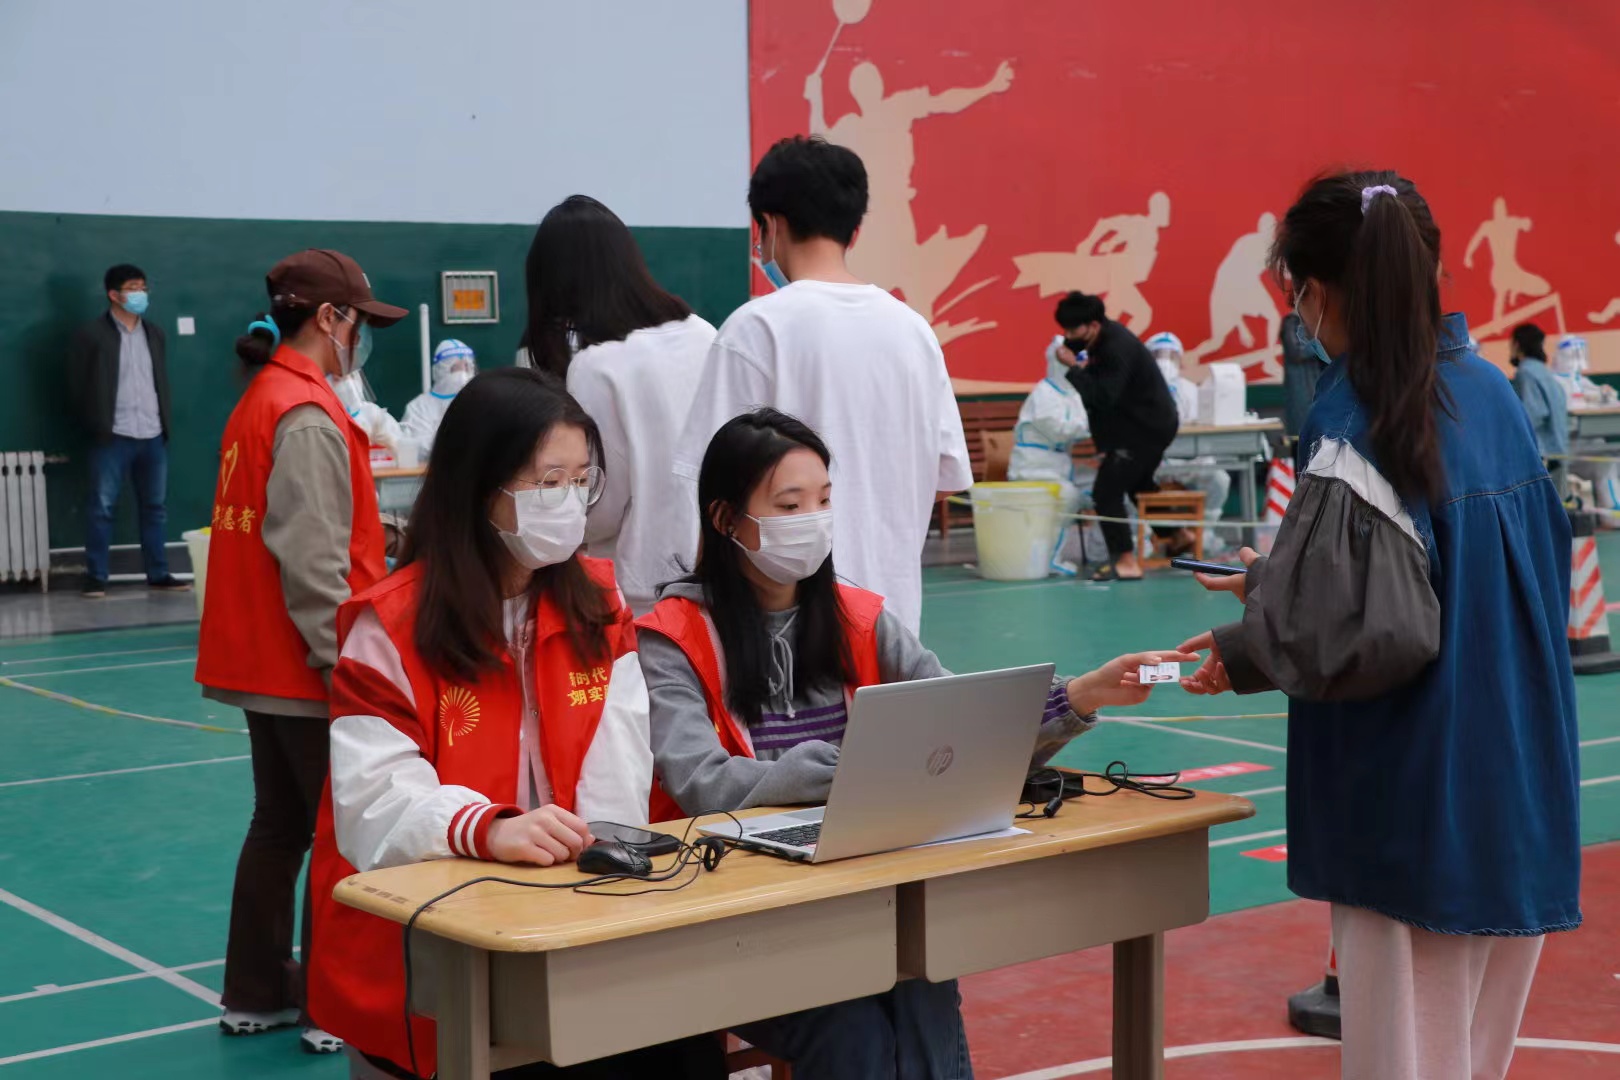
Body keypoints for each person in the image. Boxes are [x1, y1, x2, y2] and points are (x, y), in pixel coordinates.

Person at [642, 408, 1192, 1080]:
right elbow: (700, 781)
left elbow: (961, 722)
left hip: (868, 898)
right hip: (738, 916)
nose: (813, 520)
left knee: (924, 981)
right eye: (789, 505)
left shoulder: (858, 617)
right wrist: (853, 771)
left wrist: (1080, 695)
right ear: (727, 519)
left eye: (823, 500)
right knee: (852, 1030)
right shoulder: (671, 636)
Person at [1180, 172, 1581, 1080]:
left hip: (1408, 796)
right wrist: (1275, 596)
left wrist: (1258, 625)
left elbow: (1358, 628)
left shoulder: (1353, 418)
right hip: (1516, 780)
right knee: (1473, 1057)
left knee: (1405, 1059)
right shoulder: (1493, 397)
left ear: (1315, 293)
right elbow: (1439, 586)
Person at [307, 368, 724, 1080]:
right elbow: (373, 801)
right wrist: (489, 829)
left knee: (684, 1042)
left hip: (567, 916)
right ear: (479, 488)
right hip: (431, 933)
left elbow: (618, 775)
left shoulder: (599, 604)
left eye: (581, 481)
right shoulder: (389, 629)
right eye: (547, 482)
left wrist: (588, 893)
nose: (569, 502)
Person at [194, 249, 407, 1055]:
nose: (363, 337)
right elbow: (314, 563)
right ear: (328, 318)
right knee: (339, 833)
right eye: (360, 321)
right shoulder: (308, 414)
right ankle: (331, 1003)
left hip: (262, 660)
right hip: (309, 664)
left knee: (279, 825)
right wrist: (341, 662)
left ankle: (256, 993)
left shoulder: (264, 397)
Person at [674, 136, 973, 635]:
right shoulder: (915, 331)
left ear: (770, 225)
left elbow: (709, 484)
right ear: (854, 231)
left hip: (779, 620)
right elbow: (947, 478)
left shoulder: (756, 329)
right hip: (893, 620)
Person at [524, 194, 717, 615]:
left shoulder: (597, 365)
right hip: (716, 574)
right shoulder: (703, 333)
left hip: (640, 592)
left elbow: (598, 506)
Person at [65, 263, 188, 597]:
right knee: (102, 507)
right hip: (112, 435)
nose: (141, 294)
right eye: (133, 288)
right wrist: (96, 423)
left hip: (152, 433)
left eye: (143, 288)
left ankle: (158, 573)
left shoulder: (155, 334)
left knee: (155, 508)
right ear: (114, 294)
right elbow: (77, 386)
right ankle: (97, 576)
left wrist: (162, 424)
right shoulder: (91, 335)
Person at [1053, 291, 1181, 581]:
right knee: (1138, 485)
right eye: (1065, 331)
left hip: (1146, 429)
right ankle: (1177, 535)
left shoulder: (1115, 347)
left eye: (1073, 331)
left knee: (1106, 492)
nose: (1068, 338)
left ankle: (1125, 560)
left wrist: (1073, 368)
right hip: (1140, 426)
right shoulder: (1099, 339)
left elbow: (1103, 396)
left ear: (1093, 325)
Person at [1006, 335, 1096, 573]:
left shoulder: (1072, 394)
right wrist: (1095, 425)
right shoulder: (1044, 393)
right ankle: (1048, 559)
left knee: (1104, 490)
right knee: (1067, 497)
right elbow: (1059, 430)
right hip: (1033, 468)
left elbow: (1080, 424)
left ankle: (1102, 553)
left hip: (1057, 466)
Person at [1145, 332, 1233, 553]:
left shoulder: (1191, 390)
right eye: (1158, 355)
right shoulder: (1135, 391)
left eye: (1171, 355)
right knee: (1129, 482)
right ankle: (1144, 540)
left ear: (1180, 360)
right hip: (1154, 466)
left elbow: (1203, 425)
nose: (1165, 361)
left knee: (1219, 480)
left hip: (1189, 463)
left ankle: (1203, 534)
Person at [400, 339, 477, 454]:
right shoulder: (418, 407)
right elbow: (417, 448)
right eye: (455, 368)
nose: (463, 374)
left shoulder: (482, 402)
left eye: (467, 367)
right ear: (441, 370)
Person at [1509, 323, 1568, 465]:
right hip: (1557, 450)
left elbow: (1531, 415)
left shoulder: (1526, 374)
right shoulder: (1545, 373)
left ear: (1517, 345)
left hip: (1540, 453)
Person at [1279, 311, 1321, 440]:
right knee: (1301, 437)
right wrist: (1322, 343)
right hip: (1302, 392)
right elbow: (1297, 352)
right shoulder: (1293, 321)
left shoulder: (1317, 323)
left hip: (1317, 390)